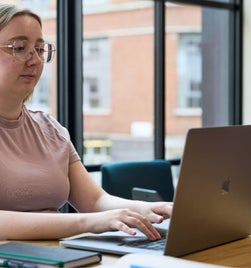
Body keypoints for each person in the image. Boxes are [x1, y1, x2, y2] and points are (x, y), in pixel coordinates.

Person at [0, 2, 172, 241]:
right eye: (19, 48)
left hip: (56, 255)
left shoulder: (50, 130)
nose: (34, 60)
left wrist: (145, 210)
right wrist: (89, 222)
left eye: (39, 49)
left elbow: (95, 200)